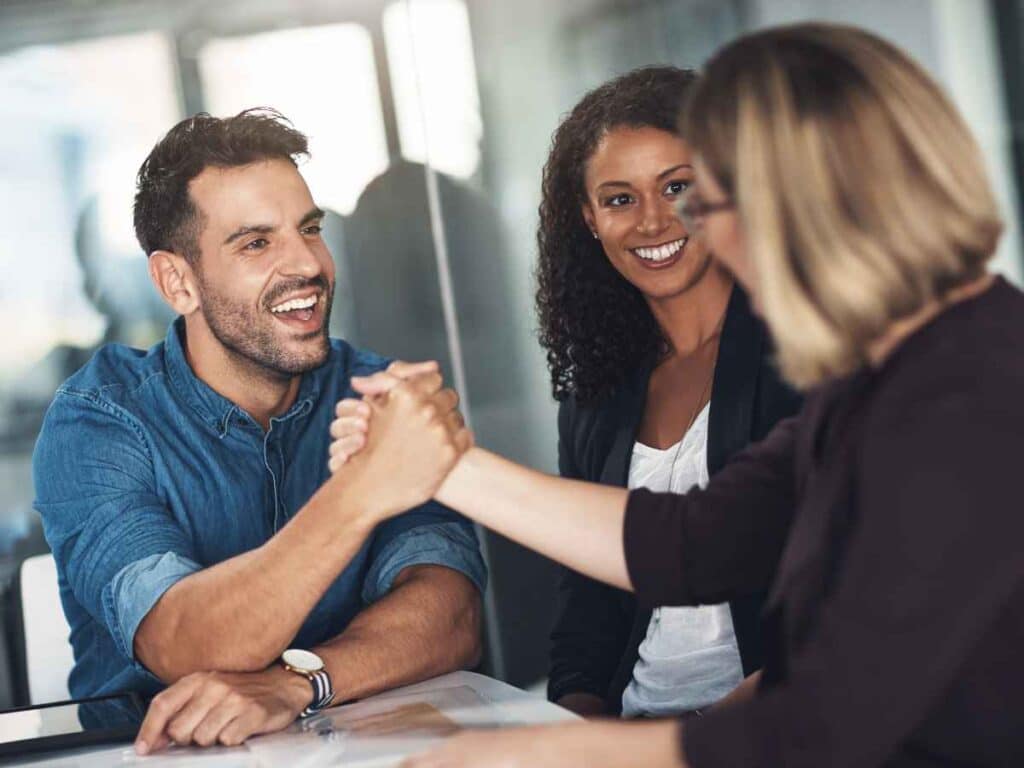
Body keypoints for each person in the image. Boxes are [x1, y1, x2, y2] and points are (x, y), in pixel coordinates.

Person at [330, 23, 1024, 767]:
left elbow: (824, 723)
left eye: (709, 205)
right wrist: (440, 463)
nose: (707, 240)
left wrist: (545, 755)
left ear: (806, 201)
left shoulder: (975, 392)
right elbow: (695, 540)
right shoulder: (880, 377)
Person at [328, 67, 800, 717]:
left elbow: (815, 612)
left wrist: (436, 461)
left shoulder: (805, 356)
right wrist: (584, 729)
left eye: (678, 187)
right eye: (619, 199)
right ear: (589, 219)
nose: (653, 221)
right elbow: (585, 617)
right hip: (633, 726)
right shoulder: (598, 393)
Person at [31, 109, 486, 754]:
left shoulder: (376, 392)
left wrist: (300, 684)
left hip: (358, 746)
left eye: (310, 229)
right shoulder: (100, 421)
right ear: (177, 282)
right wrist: (365, 487)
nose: (307, 264)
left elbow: (452, 614)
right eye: (256, 243)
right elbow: (185, 641)